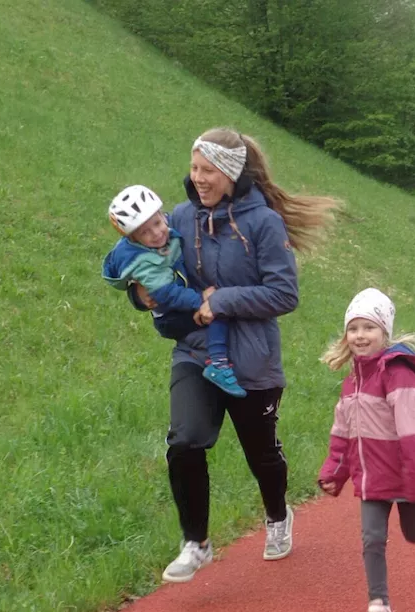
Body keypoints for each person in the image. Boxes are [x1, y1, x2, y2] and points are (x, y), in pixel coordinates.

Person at [130, 128, 338, 582]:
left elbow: (284, 294)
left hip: (252, 359)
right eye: (193, 168)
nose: (197, 178)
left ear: (229, 172)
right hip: (195, 352)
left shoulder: (264, 223)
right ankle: (196, 542)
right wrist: (141, 294)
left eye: (207, 170)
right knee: (184, 442)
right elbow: (150, 263)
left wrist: (221, 301)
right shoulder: (180, 218)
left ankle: (278, 514)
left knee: (261, 454)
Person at [318, 288, 415, 612]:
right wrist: (335, 472)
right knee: (371, 538)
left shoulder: (399, 375)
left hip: (408, 474)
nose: (360, 336)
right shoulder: (351, 384)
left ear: (384, 333)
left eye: (369, 328)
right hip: (372, 478)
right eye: (354, 328)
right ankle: (379, 606)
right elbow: (343, 434)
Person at [102, 185, 245, 397]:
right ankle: (218, 364)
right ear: (133, 239)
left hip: (180, 295)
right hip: (171, 315)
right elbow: (166, 293)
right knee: (216, 312)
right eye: (145, 232)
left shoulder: (170, 227)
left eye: (158, 223)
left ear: (162, 214)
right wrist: (201, 300)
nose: (156, 233)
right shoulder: (142, 262)